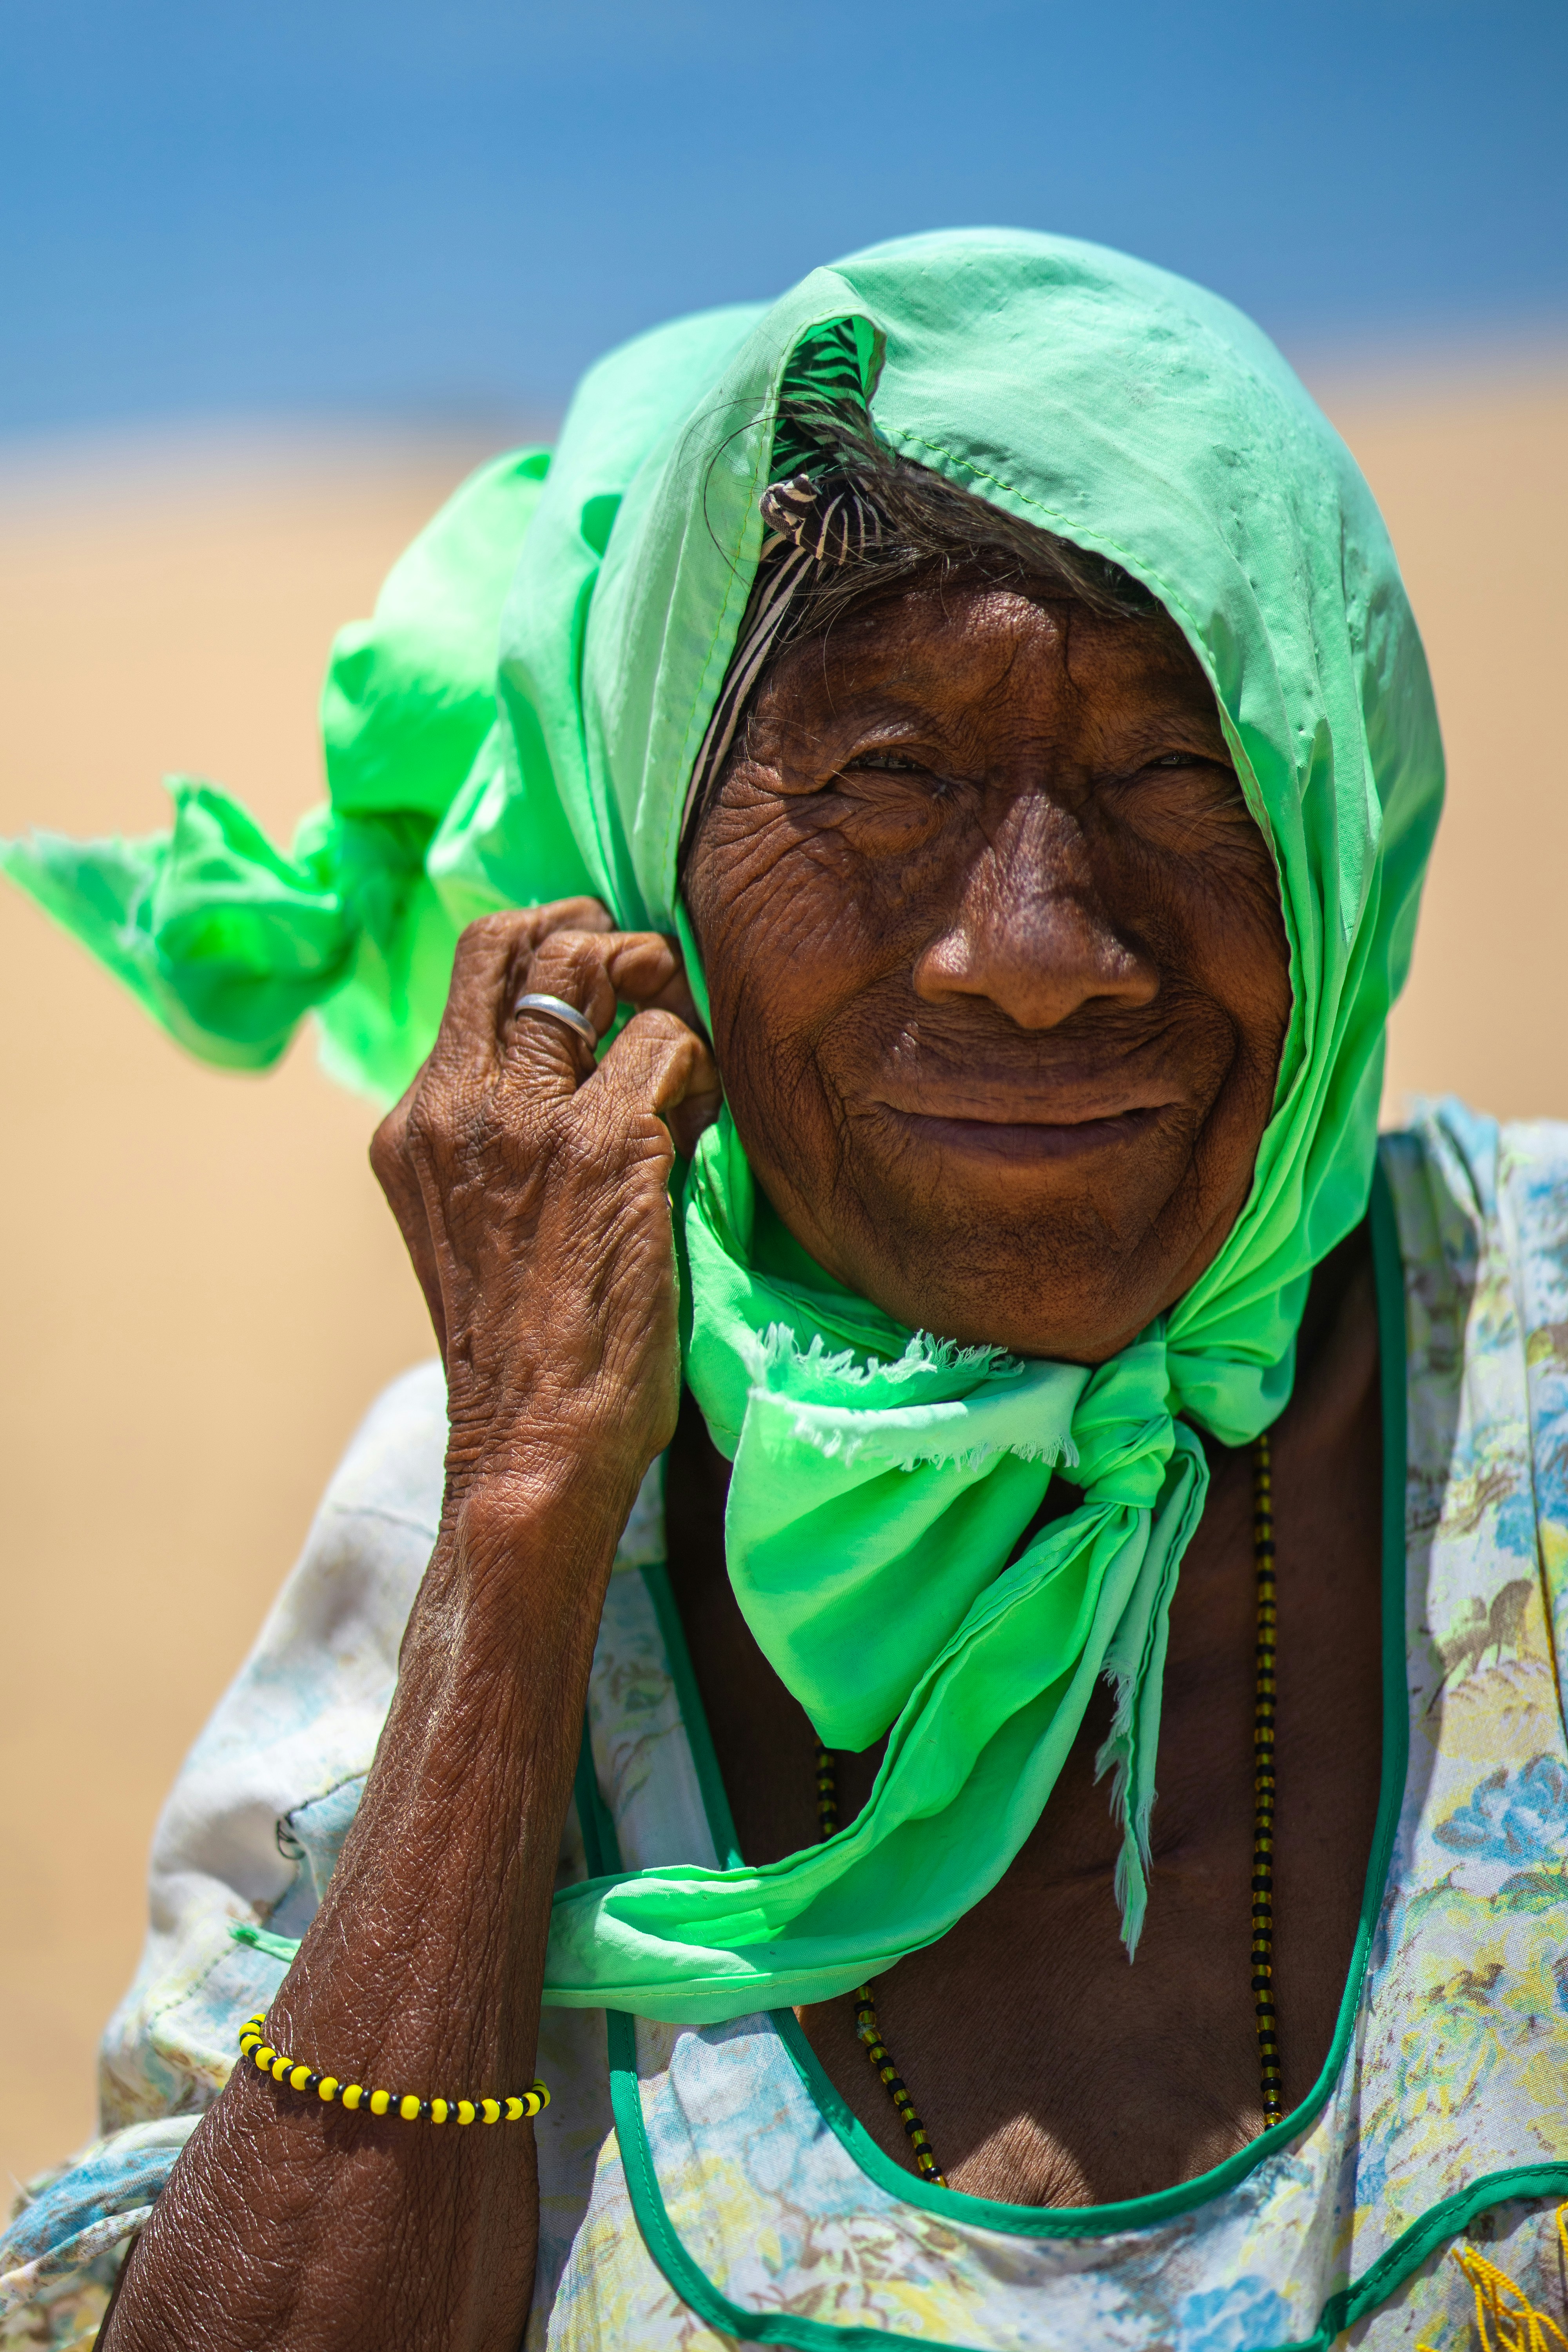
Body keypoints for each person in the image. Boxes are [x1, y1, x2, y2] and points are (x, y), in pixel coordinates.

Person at [3, 229, 1566, 2352]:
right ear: (655, 873)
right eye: (885, 779)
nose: (1034, 943)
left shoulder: (1526, 1371)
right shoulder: (493, 1502)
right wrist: (532, 1532)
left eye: (1180, 772)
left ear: (1338, 818)